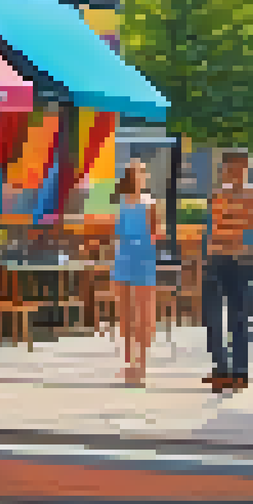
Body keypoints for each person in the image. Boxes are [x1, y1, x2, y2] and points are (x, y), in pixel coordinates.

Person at [203, 151, 253, 392]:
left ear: (245, 168)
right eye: (229, 168)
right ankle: (221, 369)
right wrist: (201, 260)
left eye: (237, 168)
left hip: (240, 260)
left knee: (239, 318)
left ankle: (240, 372)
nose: (233, 172)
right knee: (213, 317)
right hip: (215, 260)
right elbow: (210, 230)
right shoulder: (217, 195)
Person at [109, 160, 160, 387]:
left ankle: (142, 364)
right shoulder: (119, 203)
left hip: (143, 259)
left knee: (144, 315)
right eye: (136, 173)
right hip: (123, 259)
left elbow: (157, 231)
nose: (140, 177)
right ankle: (129, 362)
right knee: (126, 315)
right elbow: (114, 231)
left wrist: (147, 240)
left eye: (142, 173)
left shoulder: (150, 203)